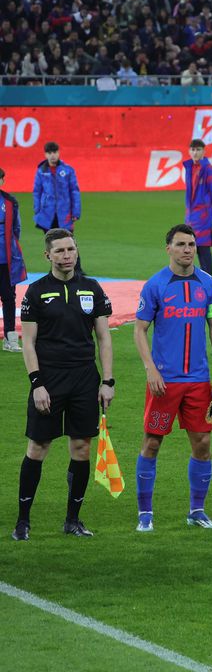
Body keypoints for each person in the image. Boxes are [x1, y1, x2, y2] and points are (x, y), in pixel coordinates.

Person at [13, 229, 114, 540]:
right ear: (48, 256)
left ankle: (72, 520)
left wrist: (107, 380)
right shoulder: (36, 292)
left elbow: (103, 338)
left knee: (82, 448)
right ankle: (23, 522)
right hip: (50, 379)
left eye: (71, 249)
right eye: (59, 251)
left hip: (85, 378)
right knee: (38, 447)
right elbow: (27, 342)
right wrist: (37, 383)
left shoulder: (92, 288)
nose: (67, 255)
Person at [132, 225, 212, 531]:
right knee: (152, 443)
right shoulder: (155, 286)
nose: (188, 249)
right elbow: (139, 330)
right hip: (166, 381)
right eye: (181, 244)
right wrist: (151, 368)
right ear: (169, 249)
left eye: (191, 244)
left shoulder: (208, 284)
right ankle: (145, 515)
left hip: (199, 381)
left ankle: (196, 511)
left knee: (202, 442)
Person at [32, 141, 83, 274]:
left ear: (58, 153)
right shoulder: (41, 171)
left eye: (54, 152)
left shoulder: (67, 170)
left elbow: (74, 191)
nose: (52, 155)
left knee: (69, 242)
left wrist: (76, 212)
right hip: (47, 214)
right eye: (49, 153)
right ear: (45, 154)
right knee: (51, 244)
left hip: (64, 213)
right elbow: (37, 191)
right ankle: (55, 269)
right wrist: (37, 209)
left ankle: (77, 269)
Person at [182, 140, 212, 276]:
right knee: (188, 255)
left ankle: (209, 287)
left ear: (204, 151)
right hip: (191, 219)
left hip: (203, 220)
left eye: (198, 150)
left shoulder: (211, 172)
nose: (195, 153)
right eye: (192, 150)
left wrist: (209, 218)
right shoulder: (189, 168)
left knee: (203, 254)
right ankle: (193, 286)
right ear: (189, 151)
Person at [0, 167, 27, 352]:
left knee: (9, 298)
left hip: (6, 260)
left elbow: (16, 230)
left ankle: (10, 338)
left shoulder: (9, 201)